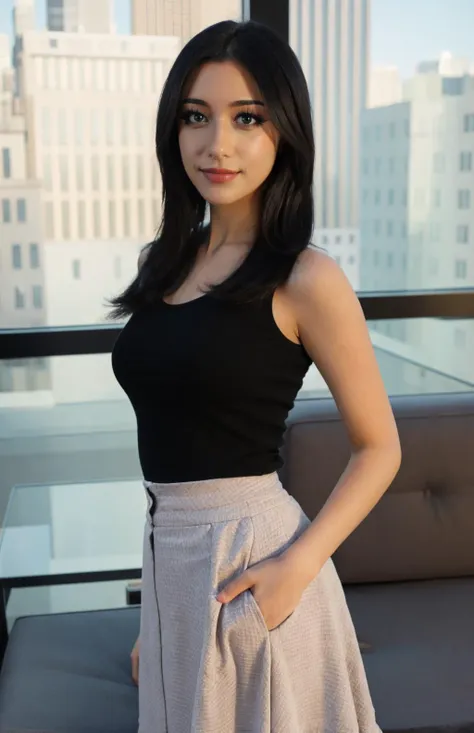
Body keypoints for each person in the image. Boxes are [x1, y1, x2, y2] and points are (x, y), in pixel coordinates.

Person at [109, 19, 401, 733]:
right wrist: (159, 614)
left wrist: (296, 569)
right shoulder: (167, 261)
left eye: (247, 118)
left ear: (285, 131)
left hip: (253, 567)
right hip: (171, 563)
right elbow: (172, 444)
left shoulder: (307, 277)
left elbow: (380, 446)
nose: (218, 144)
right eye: (196, 116)